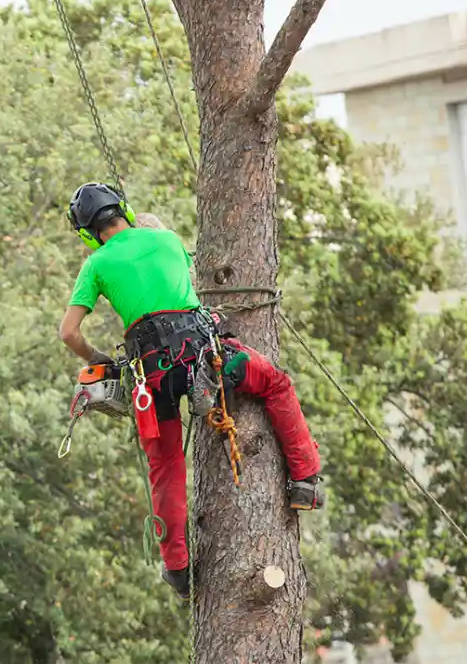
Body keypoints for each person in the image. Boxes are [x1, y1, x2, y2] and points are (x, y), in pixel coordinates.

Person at [56, 182, 325, 600]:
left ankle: (178, 569)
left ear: (88, 233)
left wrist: (102, 360)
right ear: (123, 210)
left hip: (151, 375)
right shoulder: (165, 238)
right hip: (205, 350)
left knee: (164, 464)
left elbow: (68, 333)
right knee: (274, 383)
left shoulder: (95, 264)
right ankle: (305, 481)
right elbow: (178, 275)